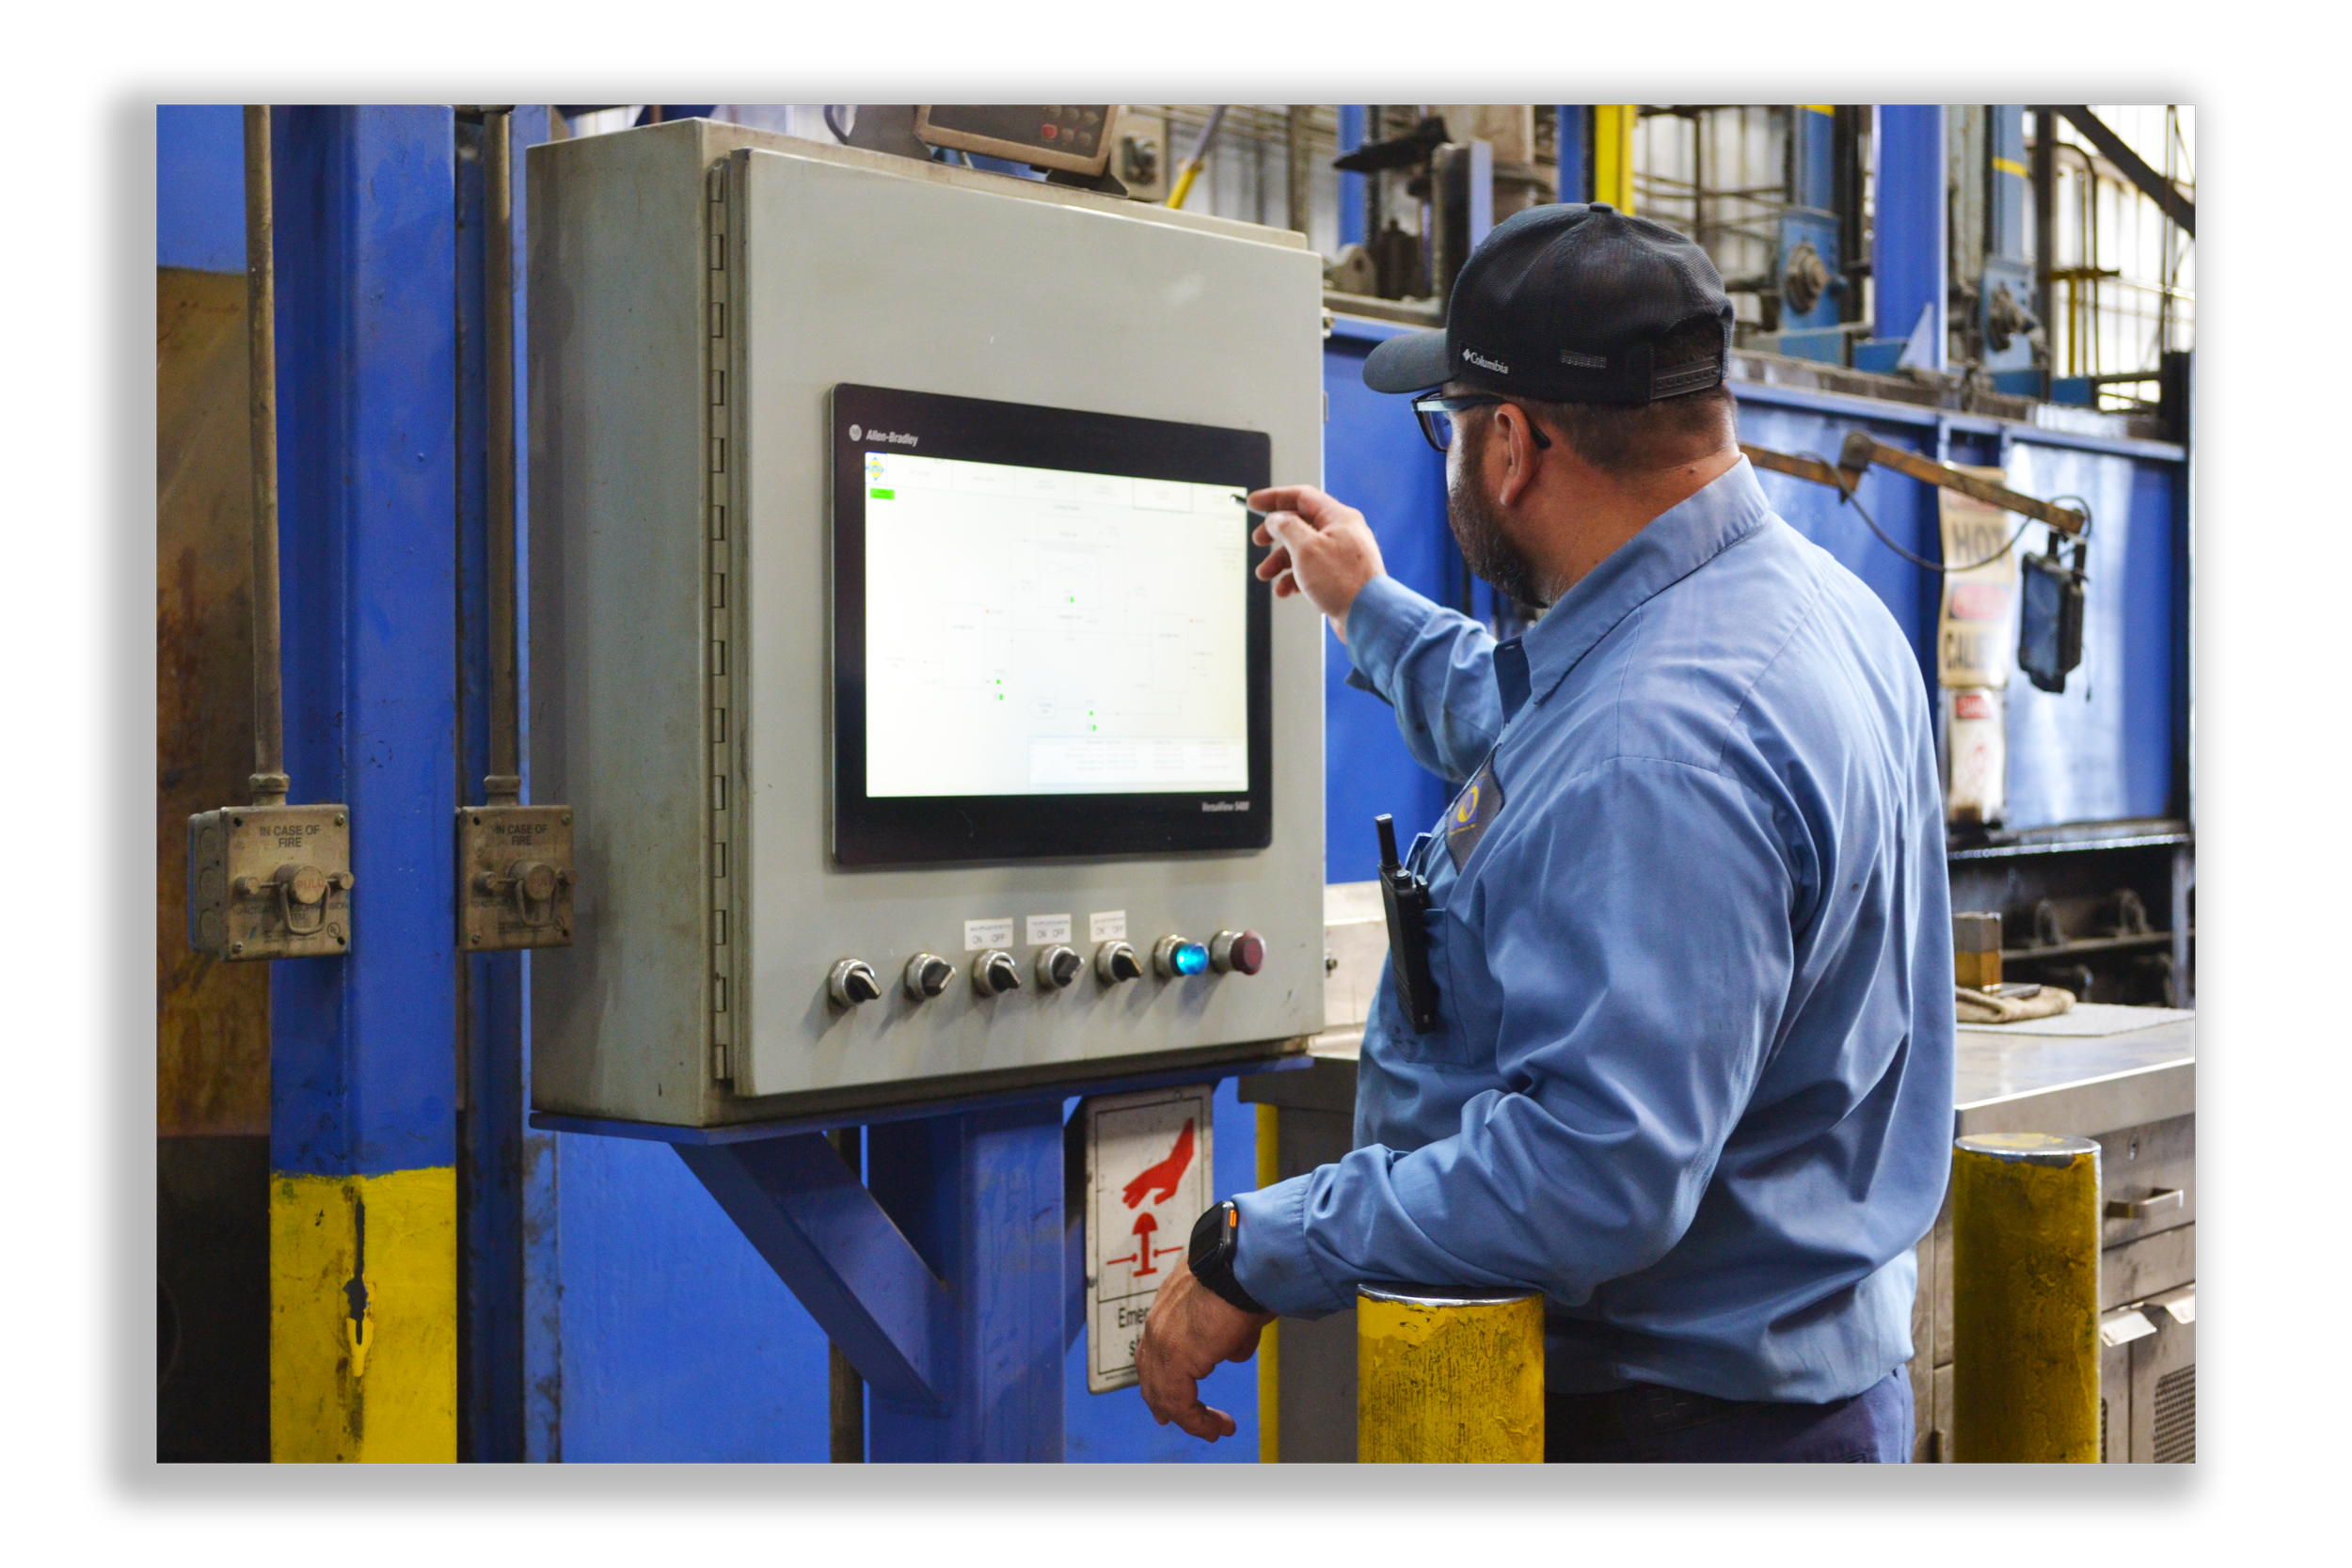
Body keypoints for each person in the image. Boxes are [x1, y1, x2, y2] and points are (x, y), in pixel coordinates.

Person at [1134, 202, 1955, 1464]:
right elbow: (1545, 730)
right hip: (1805, 1386)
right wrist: (1365, 604)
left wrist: (1261, 1248)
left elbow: (1591, 1174)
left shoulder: (1662, 738)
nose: (1452, 456)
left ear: (1510, 444)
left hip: (1679, 1426)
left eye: (1449, 423)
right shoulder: (1809, 615)